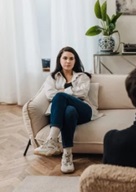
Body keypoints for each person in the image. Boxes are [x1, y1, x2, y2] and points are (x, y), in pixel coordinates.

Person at [34, 46, 98, 174]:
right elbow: (49, 95)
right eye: (65, 58)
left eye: (71, 58)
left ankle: (51, 140)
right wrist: (67, 93)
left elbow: (82, 94)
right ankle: (67, 156)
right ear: (59, 60)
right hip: (67, 114)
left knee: (60, 96)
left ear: (75, 61)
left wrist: (62, 93)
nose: (68, 61)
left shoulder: (83, 76)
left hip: (84, 110)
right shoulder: (52, 78)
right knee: (69, 111)